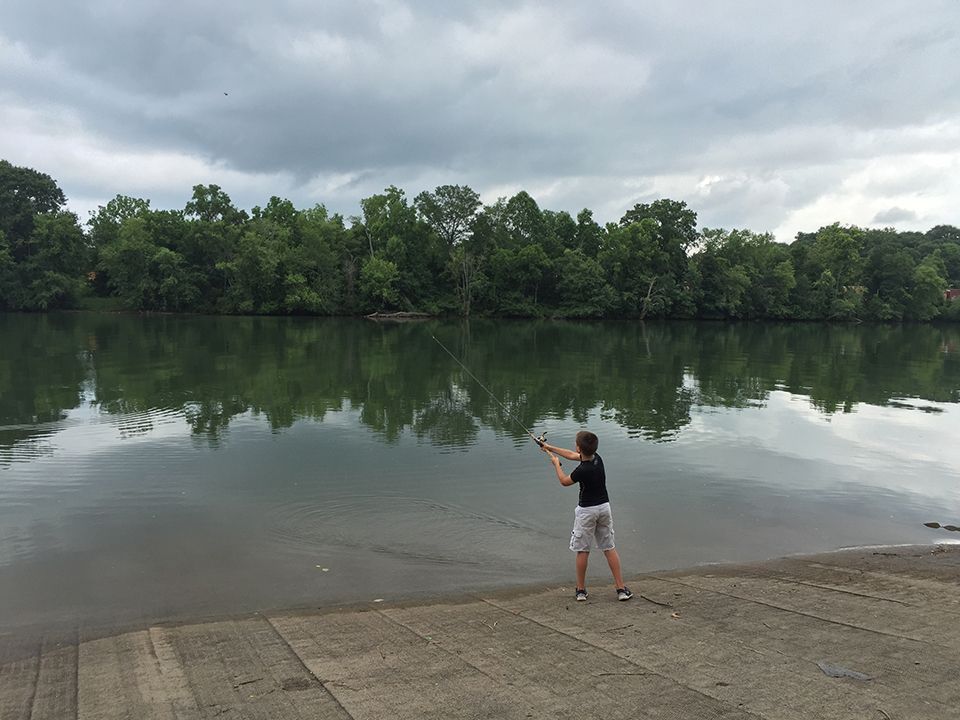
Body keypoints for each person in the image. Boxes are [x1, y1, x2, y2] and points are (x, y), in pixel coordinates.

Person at [541, 431, 633, 602]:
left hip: (586, 512)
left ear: (578, 447)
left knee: (582, 550)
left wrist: (556, 464)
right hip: (604, 508)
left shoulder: (582, 470)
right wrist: (549, 447)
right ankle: (621, 589)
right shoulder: (597, 458)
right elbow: (572, 455)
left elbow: (564, 481)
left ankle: (581, 590)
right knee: (608, 547)